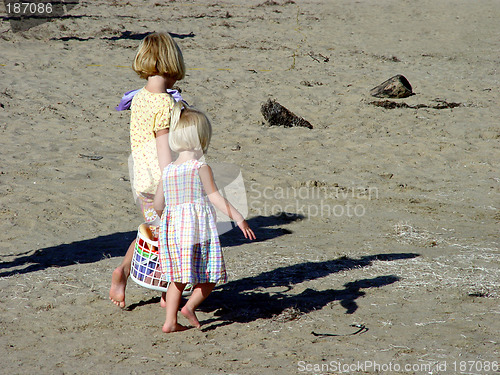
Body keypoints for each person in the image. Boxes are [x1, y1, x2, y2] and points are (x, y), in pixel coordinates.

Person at [153, 102, 256, 332]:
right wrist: (238, 218)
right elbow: (215, 198)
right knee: (209, 275)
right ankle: (189, 307)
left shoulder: (168, 170)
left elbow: (158, 204)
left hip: (172, 231)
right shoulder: (200, 167)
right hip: (196, 230)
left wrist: (164, 222)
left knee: (177, 278)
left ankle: (170, 321)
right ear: (200, 138)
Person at [109, 32, 186, 308]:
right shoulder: (164, 104)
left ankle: (125, 273)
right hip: (159, 184)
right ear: (171, 64)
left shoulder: (138, 97)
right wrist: (172, 183)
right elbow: (164, 152)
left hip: (141, 179)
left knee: (154, 230)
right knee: (168, 236)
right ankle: (163, 290)